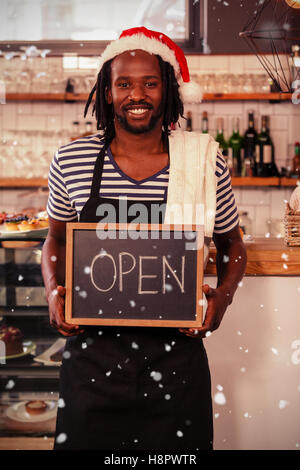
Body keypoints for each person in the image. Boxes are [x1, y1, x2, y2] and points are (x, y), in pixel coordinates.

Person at [41, 26, 247, 451]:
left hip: (175, 361)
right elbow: (55, 241)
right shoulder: (72, 159)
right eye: (124, 84)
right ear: (107, 92)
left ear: (169, 89)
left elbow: (233, 245)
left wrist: (222, 298)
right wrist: (52, 292)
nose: (137, 95)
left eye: (150, 83)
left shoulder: (204, 161)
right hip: (92, 359)